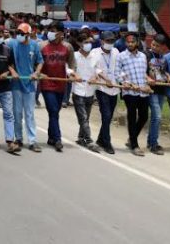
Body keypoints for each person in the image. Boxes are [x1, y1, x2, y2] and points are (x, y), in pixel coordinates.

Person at [8, 22, 44, 152]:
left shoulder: (34, 45)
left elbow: (40, 62)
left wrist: (36, 72)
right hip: (16, 83)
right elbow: (7, 61)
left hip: (29, 84)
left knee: (29, 113)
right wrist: (13, 71)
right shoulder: (11, 44)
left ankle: (32, 141)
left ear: (28, 35)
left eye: (22, 34)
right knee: (17, 113)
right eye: (18, 33)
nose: (19, 35)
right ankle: (18, 138)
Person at [39, 22, 74, 152]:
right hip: (47, 83)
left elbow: (71, 65)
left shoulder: (67, 47)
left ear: (60, 33)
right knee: (53, 110)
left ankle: (51, 137)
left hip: (61, 83)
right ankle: (58, 139)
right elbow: (36, 64)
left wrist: (71, 74)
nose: (51, 33)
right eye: (50, 30)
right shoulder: (42, 46)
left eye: (53, 31)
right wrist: (39, 73)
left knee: (55, 112)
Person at [116, 33, 152, 157]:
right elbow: (118, 73)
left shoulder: (143, 56)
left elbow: (144, 73)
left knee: (144, 116)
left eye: (132, 42)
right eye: (128, 42)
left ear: (137, 42)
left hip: (142, 91)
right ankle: (135, 145)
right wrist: (126, 82)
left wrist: (148, 83)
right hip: (129, 91)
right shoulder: (121, 56)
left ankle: (131, 138)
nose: (130, 44)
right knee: (132, 116)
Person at [68, 33, 101, 153]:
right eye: (86, 42)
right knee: (83, 117)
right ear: (79, 43)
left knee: (85, 117)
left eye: (90, 42)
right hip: (78, 90)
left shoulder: (94, 56)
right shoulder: (75, 56)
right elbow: (68, 68)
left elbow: (98, 69)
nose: (89, 45)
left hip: (90, 91)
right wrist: (74, 75)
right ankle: (89, 140)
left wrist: (96, 78)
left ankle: (81, 137)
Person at [92, 31, 120, 154]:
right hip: (102, 88)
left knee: (108, 117)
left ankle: (100, 139)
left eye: (112, 41)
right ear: (102, 41)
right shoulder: (95, 53)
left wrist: (124, 79)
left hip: (114, 88)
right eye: (108, 41)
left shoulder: (116, 52)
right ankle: (107, 142)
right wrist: (105, 79)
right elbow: (95, 68)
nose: (110, 43)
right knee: (106, 115)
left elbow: (118, 68)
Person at [145, 34, 169, 155]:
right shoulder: (146, 55)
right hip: (151, 90)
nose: (154, 47)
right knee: (158, 116)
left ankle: (150, 141)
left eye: (157, 46)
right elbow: (142, 70)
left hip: (161, 90)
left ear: (163, 47)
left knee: (155, 117)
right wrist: (148, 78)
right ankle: (154, 144)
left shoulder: (163, 58)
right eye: (153, 44)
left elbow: (165, 73)